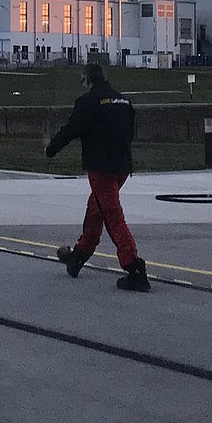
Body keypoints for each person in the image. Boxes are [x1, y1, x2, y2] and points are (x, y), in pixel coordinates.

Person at [45, 62, 149, 292]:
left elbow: (71, 130)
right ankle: (78, 257)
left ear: (87, 80)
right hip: (122, 166)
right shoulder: (124, 101)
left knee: (112, 216)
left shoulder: (87, 102)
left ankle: (134, 267)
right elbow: (129, 133)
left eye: (82, 81)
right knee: (96, 210)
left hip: (101, 168)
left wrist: (51, 149)